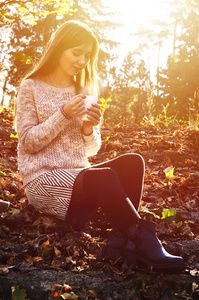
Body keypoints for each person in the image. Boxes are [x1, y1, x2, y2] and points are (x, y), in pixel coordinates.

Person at [16, 20, 185, 271]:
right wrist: (63, 114)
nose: (82, 60)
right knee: (103, 177)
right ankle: (140, 239)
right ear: (59, 48)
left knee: (132, 162)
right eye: (77, 52)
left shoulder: (81, 90)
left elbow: (91, 150)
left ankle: (122, 239)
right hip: (44, 180)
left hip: (79, 178)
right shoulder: (30, 87)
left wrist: (87, 128)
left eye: (87, 55)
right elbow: (28, 143)